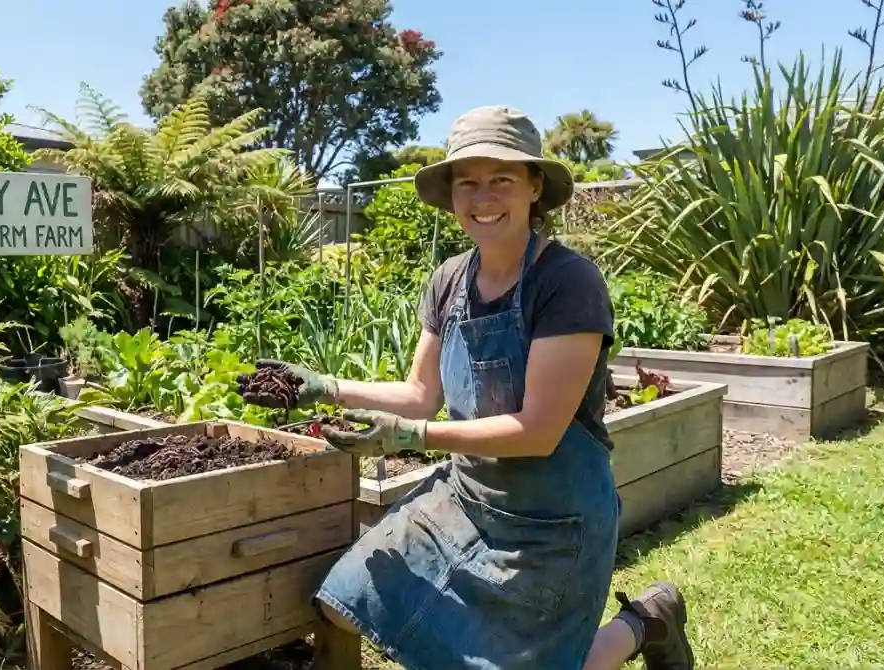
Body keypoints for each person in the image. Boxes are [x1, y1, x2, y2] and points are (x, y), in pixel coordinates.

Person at [236, 106, 695, 670]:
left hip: (554, 520)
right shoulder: (450, 280)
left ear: (534, 187)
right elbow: (420, 394)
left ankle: (645, 621)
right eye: (467, 183)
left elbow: (538, 432)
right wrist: (326, 387)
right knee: (347, 596)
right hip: (466, 500)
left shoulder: (566, 282)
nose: (483, 199)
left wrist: (412, 436)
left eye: (501, 179)